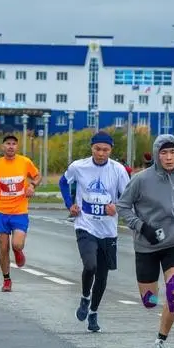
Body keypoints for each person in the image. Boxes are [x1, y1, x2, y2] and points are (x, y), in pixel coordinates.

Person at [116, 134, 174, 348]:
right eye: (164, 153)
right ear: (156, 155)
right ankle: (156, 300)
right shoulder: (141, 180)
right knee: (149, 301)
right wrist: (142, 227)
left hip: (173, 244)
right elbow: (122, 206)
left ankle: (160, 342)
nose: (169, 157)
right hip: (146, 246)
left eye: (173, 152)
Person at [59, 131, 129, 332]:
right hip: (85, 225)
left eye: (105, 150)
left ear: (111, 150)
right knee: (90, 265)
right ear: (92, 148)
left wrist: (117, 207)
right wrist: (69, 204)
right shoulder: (79, 166)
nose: (101, 153)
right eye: (97, 149)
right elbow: (63, 182)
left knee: (102, 276)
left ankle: (93, 312)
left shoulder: (118, 170)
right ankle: (85, 297)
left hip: (108, 230)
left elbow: (128, 196)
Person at [0, 134, 41, 292]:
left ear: (17, 147)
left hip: (19, 211)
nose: (11, 146)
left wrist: (32, 186)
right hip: (1, 212)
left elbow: (37, 176)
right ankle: (7, 279)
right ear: (2, 146)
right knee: (4, 248)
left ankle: (18, 251)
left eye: (13, 144)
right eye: (8, 143)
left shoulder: (25, 162)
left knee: (16, 244)